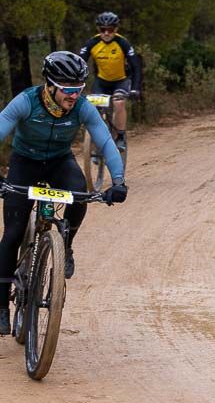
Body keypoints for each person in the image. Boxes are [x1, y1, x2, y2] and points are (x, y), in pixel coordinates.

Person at [0, 53, 128, 333]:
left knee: (80, 193)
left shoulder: (81, 107)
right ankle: (1, 304)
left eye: (79, 89)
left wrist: (118, 181)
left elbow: (105, 141)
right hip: (25, 162)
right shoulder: (26, 101)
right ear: (50, 85)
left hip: (59, 161)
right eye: (68, 89)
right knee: (12, 234)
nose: (74, 95)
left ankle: (66, 245)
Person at [79, 11, 142, 154]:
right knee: (93, 107)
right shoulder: (92, 43)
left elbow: (136, 66)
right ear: (98, 30)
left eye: (111, 30)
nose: (106, 33)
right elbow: (79, 63)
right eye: (103, 29)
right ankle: (95, 140)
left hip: (121, 81)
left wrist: (136, 88)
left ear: (116, 29)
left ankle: (120, 135)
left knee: (119, 103)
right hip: (101, 82)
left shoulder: (122, 43)